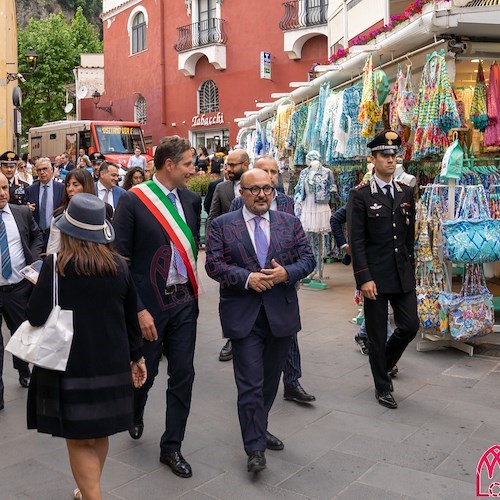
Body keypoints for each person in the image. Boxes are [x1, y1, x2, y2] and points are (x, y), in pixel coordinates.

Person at [26, 193, 146, 500]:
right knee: (99, 433)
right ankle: (88, 490)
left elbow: (36, 316)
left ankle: (93, 496)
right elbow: (133, 317)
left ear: (67, 232)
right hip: (112, 361)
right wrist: (138, 358)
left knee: (78, 439)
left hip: (69, 364)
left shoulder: (55, 266)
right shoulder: (119, 266)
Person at [205, 169, 315, 473]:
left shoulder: (289, 223)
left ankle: (259, 426)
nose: (263, 194)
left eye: (268, 188)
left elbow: (308, 259)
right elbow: (214, 265)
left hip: (280, 315)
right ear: (242, 192)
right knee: (250, 383)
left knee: (269, 382)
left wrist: (286, 273)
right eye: (255, 189)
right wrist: (247, 278)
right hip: (244, 316)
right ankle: (254, 447)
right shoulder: (222, 226)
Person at [113, 135, 201, 479]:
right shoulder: (134, 201)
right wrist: (138, 310)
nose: (194, 170)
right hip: (149, 305)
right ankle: (136, 410)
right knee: (145, 372)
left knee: (184, 374)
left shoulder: (192, 201)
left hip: (183, 302)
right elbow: (121, 260)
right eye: (188, 164)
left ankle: (172, 446)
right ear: (169, 165)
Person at [230, 156, 315, 404]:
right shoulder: (239, 202)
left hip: (282, 283)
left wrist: (291, 273)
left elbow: (299, 245)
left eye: (274, 172)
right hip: (251, 288)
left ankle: (292, 381)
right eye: (264, 171)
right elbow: (232, 240)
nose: (270, 176)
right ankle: (258, 387)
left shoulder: (287, 202)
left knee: (287, 333)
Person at [347, 129, 419, 410]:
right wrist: (363, 277)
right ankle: (382, 386)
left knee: (409, 326)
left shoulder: (405, 191)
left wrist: (411, 268)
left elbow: (408, 234)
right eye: (385, 155)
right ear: (373, 158)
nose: (391, 160)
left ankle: (384, 364)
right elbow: (357, 239)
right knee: (377, 335)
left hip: (402, 274)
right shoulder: (360, 195)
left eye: (394, 155)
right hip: (374, 277)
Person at [0, 172, 42, 410]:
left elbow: (37, 236)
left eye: (5, 187)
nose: (2, 193)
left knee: (20, 335)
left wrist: (34, 260)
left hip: (18, 288)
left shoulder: (22, 213)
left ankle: (23, 370)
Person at [330, 205, 393, 356]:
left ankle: (363, 334)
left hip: (388, 260)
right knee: (380, 301)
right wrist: (345, 246)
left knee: (377, 302)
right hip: (366, 262)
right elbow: (335, 219)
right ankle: (387, 351)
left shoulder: (395, 195)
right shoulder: (361, 196)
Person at [207, 149, 249, 361]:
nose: (228, 169)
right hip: (228, 255)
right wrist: (213, 248)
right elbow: (212, 218)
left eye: (233, 165)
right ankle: (231, 338)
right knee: (229, 299)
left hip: (254, 253)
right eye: (227, 165)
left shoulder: (261, 185)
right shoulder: (221, 188)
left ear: (246, 164)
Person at [46, 169, 112, 254]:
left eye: (75, 185)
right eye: (67, 185)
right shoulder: (59, 215)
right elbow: (53, 248)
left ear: (86, 186)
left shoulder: (103, 210)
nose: (70, 189)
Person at [26, 158, 65, 251]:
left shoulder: (61, 188)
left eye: (45, 169)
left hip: (55, 234)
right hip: (36, 236)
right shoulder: (30, 190)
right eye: (39, 170)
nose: (42, 172)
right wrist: (26, 209)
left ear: (51, 170)